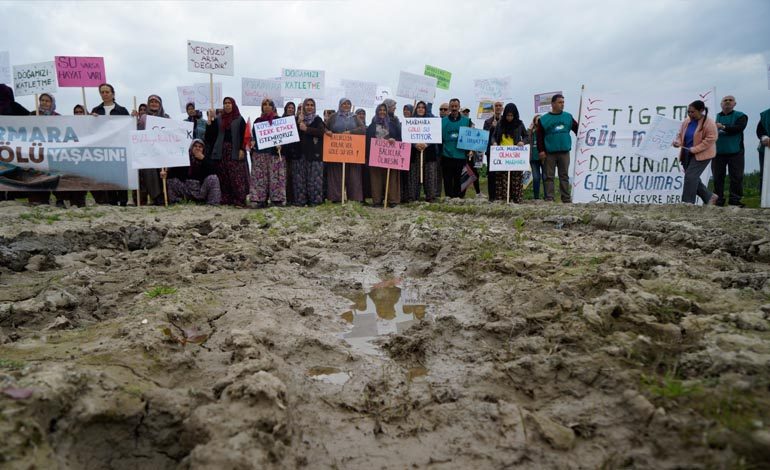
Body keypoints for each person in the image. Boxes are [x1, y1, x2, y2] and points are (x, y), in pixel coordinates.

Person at [91, 83, 131, 206]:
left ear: (113, 94)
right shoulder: (96, 110)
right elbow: (91, 129)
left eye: (107, 92)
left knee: (120, 173)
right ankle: (112, 200)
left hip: (119, 146)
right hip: (103, 147)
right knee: (108, 174)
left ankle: (123, 201)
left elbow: (129, 126)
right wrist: (90, 118)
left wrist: (133, 117)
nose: (104, 94)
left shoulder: (122, 110)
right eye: (102, 92)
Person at [205, 97, 249, 207]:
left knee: (236, 176)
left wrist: (242, 149)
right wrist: (210, 123)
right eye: (225, 103)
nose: (227, 105)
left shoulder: (239, 119)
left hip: (234, 151)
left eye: (229, 103)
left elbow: (245, 136)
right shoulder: (219, 119)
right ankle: (226, 199)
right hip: (220, 151)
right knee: (223, 176)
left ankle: (239, 200)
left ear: (233, 105)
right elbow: (210, 137)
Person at [673, 100, 719, 205]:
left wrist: (695, 149)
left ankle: (687, 202)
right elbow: (680, 135)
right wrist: (678, 142)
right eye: (688, 112)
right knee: (693, 178)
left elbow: (711, 139)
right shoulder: (686, 122)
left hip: (703, 155)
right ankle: (709, 197)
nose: (690, 114)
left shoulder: (709, 123)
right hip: (686, 153)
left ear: (701, 110)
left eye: (692, 112)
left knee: (690, 176)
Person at [537, 94, 578, 203]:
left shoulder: (568, 117)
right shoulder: (544, 119)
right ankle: (549, 198)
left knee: (564, 176)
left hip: (564, 151)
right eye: (560, 102)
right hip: (550, 152)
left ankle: (566, 198)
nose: (562, 104)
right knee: (549, 176)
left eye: (563, 102)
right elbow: (539, 136)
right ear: (553, 104)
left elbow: (577, 129)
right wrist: (541, 151)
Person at [325, 98, 365, 203]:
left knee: (353, 175)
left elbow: (363, 129)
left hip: (352, 151)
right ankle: (336, 198)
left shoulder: (355, 117)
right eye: (344, 103)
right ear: (340, 105)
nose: (346, 105)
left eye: (348, 104)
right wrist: (328, 132)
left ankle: (354, 198)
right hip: (337, 151)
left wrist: (351, 132)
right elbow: (326, 128)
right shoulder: (333, 117)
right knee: (336, 175)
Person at [248, 98, 286, 208]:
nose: (267, 106)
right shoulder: (258, 121)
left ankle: (277, 199)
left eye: (269, 104)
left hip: (275, 153)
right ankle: (259, 199)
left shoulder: (279, 120)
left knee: (276, 177)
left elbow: (285, 135)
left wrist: (281, 144)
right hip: (260, 153)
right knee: (260, 176)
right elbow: (253, 135)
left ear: (273, 107)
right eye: (264, 104)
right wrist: (253, 141)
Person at [711, 96, 748, 207]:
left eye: (730, 100)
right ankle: (718, 200)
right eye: (725, 100)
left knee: (736, 177)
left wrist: (722, 126)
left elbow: (738, 128)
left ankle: (735, 200)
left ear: (735, 104)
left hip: (736, 152)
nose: (727, 102)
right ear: (721, 104)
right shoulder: (714, 117)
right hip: (718, 152)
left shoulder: (741, 116)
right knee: (717, 177)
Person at [162, 139, 221, 205]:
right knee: (171, 181)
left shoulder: (206, 159)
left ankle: (212, 203)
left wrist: (203, 159)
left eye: (200, 147)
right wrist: (166, 174)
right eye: (195, 146)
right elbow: (175, 171)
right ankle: (175, 202)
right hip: (186, 189)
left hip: (200, 190)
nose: (197, 148)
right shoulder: (185, 158)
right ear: (191, 148)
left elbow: (214, 171)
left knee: (213, 178)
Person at [27, 93, 61, 206]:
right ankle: (38, 199)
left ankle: (60, 199)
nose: (44, 103)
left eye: (47, 101)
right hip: (37, 152)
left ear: (52, 103)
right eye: (42, 100)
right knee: (37, 175)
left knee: (55, 176)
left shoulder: (58, 117)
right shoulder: (32, 115)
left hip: (53, 152)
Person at [366, 103, 402, 206]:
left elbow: (400, 139)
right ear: (377, 112)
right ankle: (377, 201)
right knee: (376, 179)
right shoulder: (372, 126)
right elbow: (368, 142)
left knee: (391, 178)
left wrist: (393, 140)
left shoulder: (393, 125)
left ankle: (391, 200)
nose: (382, 112)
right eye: (380, 110)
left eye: (384, 110)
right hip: (375, 158)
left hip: (390, 157)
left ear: (387, 112)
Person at [134, 95, 168, 205]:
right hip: (147, 151)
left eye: (156, 102)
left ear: (160, 104)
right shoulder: (143, 118)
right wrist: (133, 119)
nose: (154, 104)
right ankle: (155, 196)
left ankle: (165, 196)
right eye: (151, 102)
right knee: (149, 173)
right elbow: (137, 132)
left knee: (163, 173)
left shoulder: (166, 118)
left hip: (163, 151)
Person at [493, 103, 529, 203]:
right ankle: (503, 199)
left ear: (515, 115)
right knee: (502, 179)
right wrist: (495, 143)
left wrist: (523, 142)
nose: (509, 118)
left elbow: (527, 136)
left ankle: (516, 199)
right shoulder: (500, 124)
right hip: (502, 157)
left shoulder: (520, 124)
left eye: (511, 116)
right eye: (508, 116)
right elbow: (493, 136)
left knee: (516, 179)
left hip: (515, 157)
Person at [406, 101, 439, 202]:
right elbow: (407, 136)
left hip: (428, 151)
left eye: (423, 107)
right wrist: (415, 144)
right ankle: (413, 196)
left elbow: (435, 135)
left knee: (430, 173)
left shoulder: (432, 120)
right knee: (414, 174)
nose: (420, 109)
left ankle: (430, 196)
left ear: (425, 109)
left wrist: (426, 144)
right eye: (418, 107)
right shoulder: (411, 121)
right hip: (414, 151)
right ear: (416, 109)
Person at [294, 98, 326, 206]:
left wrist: (306, 129)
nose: (309, 107)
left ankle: (315, 201)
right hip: (300, 154)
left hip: (314, 154)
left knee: (315, 179)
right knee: (300, 179)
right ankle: (301, 201)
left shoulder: (317, 120)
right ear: (303, 107)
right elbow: (291, 136)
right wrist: (298, 123)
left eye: (312, 105)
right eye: (307, 105)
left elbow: (322, 132)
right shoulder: (297, 120)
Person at [441, 98, 472, 198]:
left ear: (459, 107)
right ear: (449, 107)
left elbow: (472, 137)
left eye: (456, 106)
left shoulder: (467, 121)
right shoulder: (443, 121)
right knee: (447, 178)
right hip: (446, 154)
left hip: (460, 155)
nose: (454, 108)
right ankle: (448, 198)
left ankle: (458, 198)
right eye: (452, 106)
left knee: (459, 178)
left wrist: (471, 149)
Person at [484, 102, 504, 200]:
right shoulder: (487, 121)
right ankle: (491, 196)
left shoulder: (506, 120)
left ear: (502, 108)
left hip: (503, 151)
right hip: (491, 151)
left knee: (501, 174)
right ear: (493, 108)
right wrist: (492, 127)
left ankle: (501, 195)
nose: (498, 107)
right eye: (496, 106)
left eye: (500, 106)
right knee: (491, 174)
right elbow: (485, 135)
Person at [282, 101, 298, 205]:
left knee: (293, 175)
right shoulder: (280, 120)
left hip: (294, 152)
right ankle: (285, 197)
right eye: (289, 107)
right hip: (283, 152)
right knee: (284, 176)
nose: (291, 109)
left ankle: (292, 198)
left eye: (292, 108)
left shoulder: (297, 121)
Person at [528, 115, 547, 200]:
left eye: (540, 119)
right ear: (534, 121)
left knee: (545, 177)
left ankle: (547, 196)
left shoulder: (545, 130)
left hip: (544, 157)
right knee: (536, 177)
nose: (539, 121)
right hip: (533, 158)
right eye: (537, 119)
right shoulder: (531, 132)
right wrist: (529, 130)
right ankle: (536, 197)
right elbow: (526, 140)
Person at [757, 107, 770, 195]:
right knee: (765, 175)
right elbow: (760, 131)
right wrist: (763, 137)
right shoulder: (765, 114)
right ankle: (764, 198)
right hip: (766, 150)